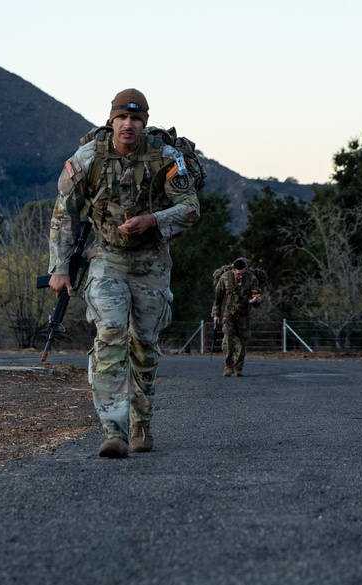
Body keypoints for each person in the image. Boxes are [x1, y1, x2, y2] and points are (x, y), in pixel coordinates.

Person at [47, 88, 200, 458]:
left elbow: (191, 208)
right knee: (111, 334)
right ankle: (112, 429)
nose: (128, 124)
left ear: (144, 123)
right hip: (106, 258)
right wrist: (60, 268)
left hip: (151, 260)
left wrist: (153, 219)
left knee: (144, 345)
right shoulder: (88, 158)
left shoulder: (165, 157)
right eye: (121, 118)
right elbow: (64, 213)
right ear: (111, 120)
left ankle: (141, 424)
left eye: (135, 118)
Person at [211, 257, 262, 377]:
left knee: (242, 341)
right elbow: (218, 298)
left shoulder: (251, 278)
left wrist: (255, 299)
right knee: (227, 339)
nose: (241, 276)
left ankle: (239, 367)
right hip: (229, 313)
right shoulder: (225, 278)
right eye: (239, 274)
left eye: (243, 273)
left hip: (244, 313)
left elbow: (257, 294)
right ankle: (228, 366)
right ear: (233, 270)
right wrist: (216, 314)